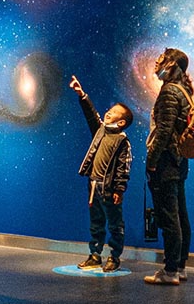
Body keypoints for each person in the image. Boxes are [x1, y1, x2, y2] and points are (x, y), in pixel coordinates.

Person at [69, 75, 133, 273]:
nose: (108, 113)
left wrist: (119, 189)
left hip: (109, 189)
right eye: (109, 110)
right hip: (93, 185)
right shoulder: (101, 130)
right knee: (96, 222)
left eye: (113, 113)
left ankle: (114, 257)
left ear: (121, 122)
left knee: (114, 223)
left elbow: (124, 167)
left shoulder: (122, 141)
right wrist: (82, 95)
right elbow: (91, 115)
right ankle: (95, 255)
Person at [143, 48, 194, 286]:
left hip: (166, 162)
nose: (157, 62)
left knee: (169, 217)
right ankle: (180, 266)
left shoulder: (169, 91)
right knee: (180, 214)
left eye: (162, 59)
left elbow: (163, 131)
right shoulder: (184, 91)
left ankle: (170, 270)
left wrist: (151, 162)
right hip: (179, 161)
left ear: (172, 64)